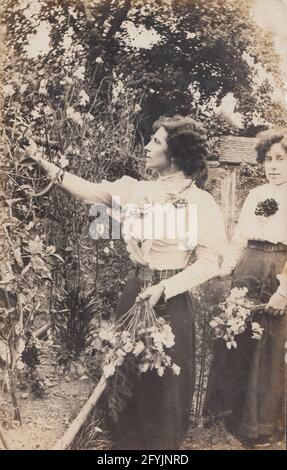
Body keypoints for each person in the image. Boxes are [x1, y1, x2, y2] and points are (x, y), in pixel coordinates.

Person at [25, 115, 227, 450]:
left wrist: (167, 287)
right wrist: (41, 161)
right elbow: (87, 190)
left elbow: (210, 261)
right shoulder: (137, 191)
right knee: (127, 371)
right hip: (135, 294)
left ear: (175, 154)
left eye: (156, 142)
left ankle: (162, 449)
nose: (147, 147)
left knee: (166, 378)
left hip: (172, 300)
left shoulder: (200, 203)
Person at [204, 129, 287, 448]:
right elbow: (240, 238)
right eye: (268, 160)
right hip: (248, 270)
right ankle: (229, 416)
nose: (273, 166)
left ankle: (261, 425)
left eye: (281, 159)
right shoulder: (255, 194)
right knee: (237, 338)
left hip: (277, 270)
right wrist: (225, 267)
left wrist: (284, 290)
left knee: (268, 345)